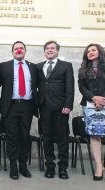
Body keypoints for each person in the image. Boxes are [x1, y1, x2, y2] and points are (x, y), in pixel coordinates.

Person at [0, 41, 38, 180]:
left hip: (27, 106)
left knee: (24, 136)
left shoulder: (33, 67)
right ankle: (13, 167)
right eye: (16, 48)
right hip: (11, 106)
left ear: (25, 51)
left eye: (21, 48)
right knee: (12, 137)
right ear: (12, 52)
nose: (19, 50)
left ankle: (23, 166)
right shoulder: (4, 67)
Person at [36, 40, 74, 179]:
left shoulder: (66, 66)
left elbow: (70, 87)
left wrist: (68, 105)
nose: (50, 50)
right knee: (46, 138)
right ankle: (50, 166)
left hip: (61, 108)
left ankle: (63, 168)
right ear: (44, 51)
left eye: (52, 48)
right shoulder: (38, 66)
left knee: (62, 138)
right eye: (47, 48)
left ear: (57, 51)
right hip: (44, 107)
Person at [78, 43, 105, 181]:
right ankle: (99, 166)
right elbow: (81, 87)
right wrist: (94, 98)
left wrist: (102, 100)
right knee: (95, 135)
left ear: (99, 52)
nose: (91, 52)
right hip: (90, 105)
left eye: (93, 50)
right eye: (88, 51)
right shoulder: (83, 69)